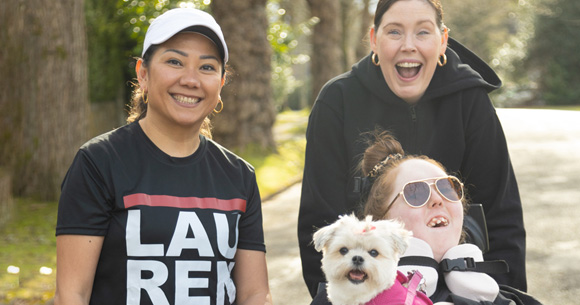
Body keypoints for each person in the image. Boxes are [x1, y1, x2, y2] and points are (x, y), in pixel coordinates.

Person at [298, 0, 527, 298]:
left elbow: (502, 213)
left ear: (442, 40)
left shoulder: (470, 100)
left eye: (423, 32)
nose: (408, 46)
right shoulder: (337, 102)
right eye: (394, 32)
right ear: (373, 40)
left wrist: (507, 296)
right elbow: (320, 223)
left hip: (466, 283)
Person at [55, 8, 272, 305]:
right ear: (143, 74)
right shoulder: (98, 162)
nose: (191, 80)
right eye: (175, 62)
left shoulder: (239, 176)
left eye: (207, 67)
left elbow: (255, 294)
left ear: (220, 85)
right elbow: (72, 294)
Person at [310, 130, 542, 305]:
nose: (438, 199)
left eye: (447, 187)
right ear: (382, 223)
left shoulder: (509, 299)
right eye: (415, 192)